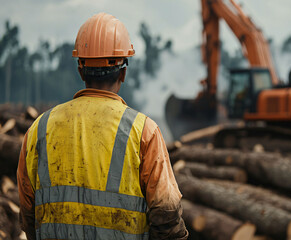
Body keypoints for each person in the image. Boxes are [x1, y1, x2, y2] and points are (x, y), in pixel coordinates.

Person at [17, 12, 188, 240]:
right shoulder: (143, 131)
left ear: (80, 71)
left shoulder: (39, 129)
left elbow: (28, 213)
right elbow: (166, 212)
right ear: (124, 73)